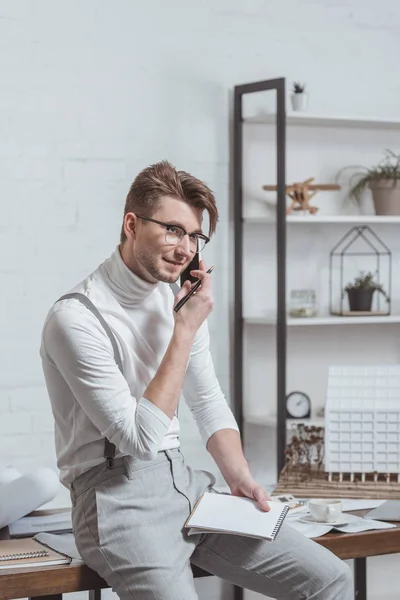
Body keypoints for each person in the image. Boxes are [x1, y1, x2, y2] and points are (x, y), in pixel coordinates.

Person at [40, 161, 353, 599]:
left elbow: (206, 400)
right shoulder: (75, 319)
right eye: (172, 229)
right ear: (131, 224)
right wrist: (183, 328)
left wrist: (239, 476)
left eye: (194, 235)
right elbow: (139, 439)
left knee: (330, 578)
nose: (185, 247)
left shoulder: (179, 299)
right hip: (116, 500)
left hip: (186, 483)